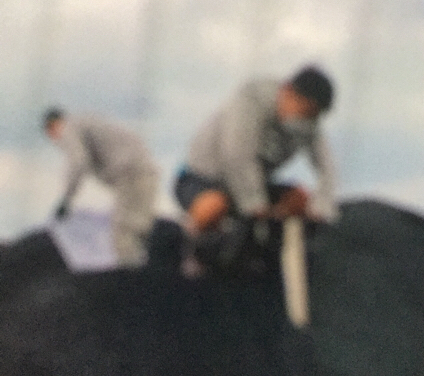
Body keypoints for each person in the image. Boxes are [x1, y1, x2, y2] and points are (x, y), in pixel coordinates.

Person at [174, 65, 339, 277]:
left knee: (299, 200)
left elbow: (327, 167)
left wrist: (322, 209)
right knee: (214, 206)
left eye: (312, 116)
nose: (305, 121)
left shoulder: (309, 124)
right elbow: (237, 157)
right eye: (304, 111)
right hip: (203, 178)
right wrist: (257, 208)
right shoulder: (251, 100)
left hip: (254, 185)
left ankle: (275, 259)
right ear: (288, 91)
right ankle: (188, 253)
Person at [42, 108, 160, 268]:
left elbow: (78, 162)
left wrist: (66, 199)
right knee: (142, 232)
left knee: (125, 235)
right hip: (144, 173)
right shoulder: (86, 122)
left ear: (52, 126)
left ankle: (132, 280)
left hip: (130, 176)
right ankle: (153, 275)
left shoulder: (68, 127)